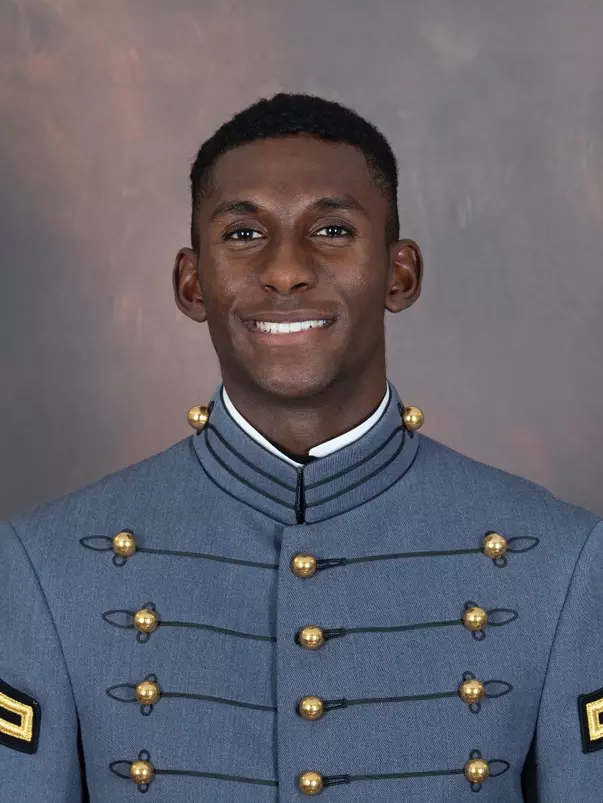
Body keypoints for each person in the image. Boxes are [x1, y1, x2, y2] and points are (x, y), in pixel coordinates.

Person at [0, 92, 601, 803]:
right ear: (191, 282)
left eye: (333, 229)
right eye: (245, 234)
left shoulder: (562, 562)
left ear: (399, 273)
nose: (285, 270)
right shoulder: (47, 564)